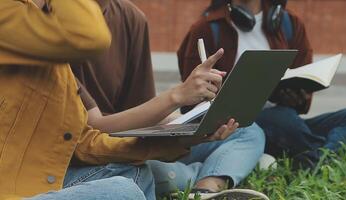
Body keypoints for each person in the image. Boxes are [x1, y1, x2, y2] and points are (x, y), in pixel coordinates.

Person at [0, 0, 242, 199]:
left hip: (42, 176)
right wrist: (177, 96)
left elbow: (83, 141)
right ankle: (197, 177)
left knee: (135, 176)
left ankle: (205, 178)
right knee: (123, 190)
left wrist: (182, 138)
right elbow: (86, 36)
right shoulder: (13, 17)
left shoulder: (56, 55)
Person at [71, 1, 267, 199]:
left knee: (248, 132)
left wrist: (193, 125)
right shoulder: (58, 27)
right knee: (138, 176)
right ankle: (203, 175)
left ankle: (206, 184)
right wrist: (178, 96)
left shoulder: (131, 17)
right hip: (102, 153)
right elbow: (92, 132)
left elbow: (144, 113)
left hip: (133, 141)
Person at [177, 0, 346, 168]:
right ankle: (326, 154)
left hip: (288, 122)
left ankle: (314, 156)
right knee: (281, 119)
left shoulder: (289, 23)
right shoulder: (206, 29)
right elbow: (190, 104)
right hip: (241, 127)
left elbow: (303, 86)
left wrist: (296, 96)